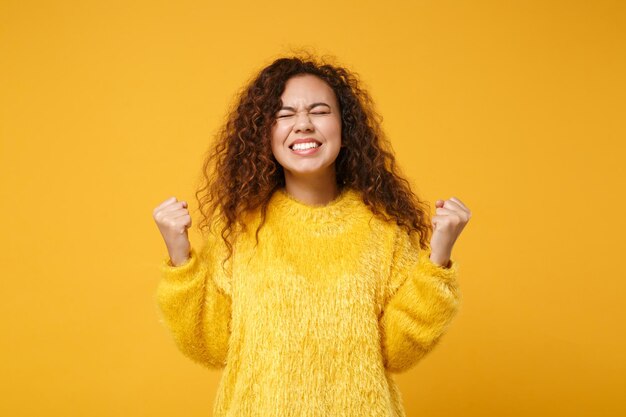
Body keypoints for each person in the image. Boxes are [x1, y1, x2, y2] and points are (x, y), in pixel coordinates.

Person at [152, 52, 471, 417]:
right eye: (284, 114)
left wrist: (440, 255)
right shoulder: (239, 230)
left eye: (319, 111)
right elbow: (209, 345)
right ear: (264, 132)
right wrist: (178, 253)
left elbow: (397, 352)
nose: (302, 124)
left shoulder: (384, 229)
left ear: (344, 127)